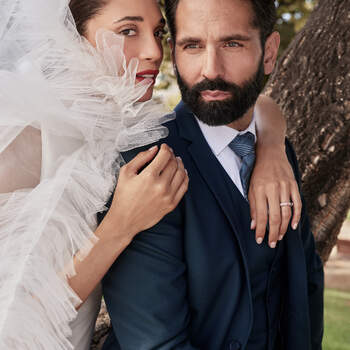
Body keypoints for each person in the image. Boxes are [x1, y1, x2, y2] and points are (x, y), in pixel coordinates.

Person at [0, 0, 301, 349]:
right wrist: (120, 226)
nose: (154, 51)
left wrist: (272, 150)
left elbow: (252, 104)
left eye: (158, 32)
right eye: (128, 31)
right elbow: (10, 326)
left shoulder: (124, 125)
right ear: (73, 37)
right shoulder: (23, 141)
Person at [100, 0, 324, 349]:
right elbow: (156, 343)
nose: (211, 69)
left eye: (232, 43)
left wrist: (273, 146)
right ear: (174, 54)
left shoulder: (279, 153)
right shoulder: (146, 164)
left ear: (269, 52)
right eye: (192, 46)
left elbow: (305, 285)